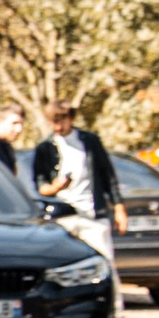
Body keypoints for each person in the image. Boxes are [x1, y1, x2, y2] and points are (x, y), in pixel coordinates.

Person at [32, 101, 125, 260]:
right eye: (53, 122)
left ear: (71, 119)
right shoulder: (44, 148)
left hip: (93, 214)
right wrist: (55, 188)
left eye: (62, 121)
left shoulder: (90, 142)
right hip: (63, 216)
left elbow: (107, 175)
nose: (58, 127)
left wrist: (119, 208)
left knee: (104, 260)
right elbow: (41, 186)